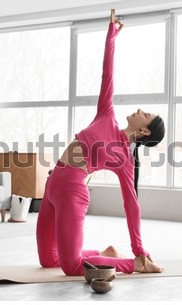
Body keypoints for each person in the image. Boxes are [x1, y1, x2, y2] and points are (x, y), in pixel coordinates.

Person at [36, 9, 165, 276]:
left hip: (72, 193)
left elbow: (132, 204)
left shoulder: (125, 159)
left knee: (70, 267)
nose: (141, 109)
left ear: (143, 131)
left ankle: (132, 265)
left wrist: (139, 250)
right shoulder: (106, 114)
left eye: (146, 115)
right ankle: (103, 253)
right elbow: (107, 73)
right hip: (52, 184)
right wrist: (111, 35)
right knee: (49, 260)